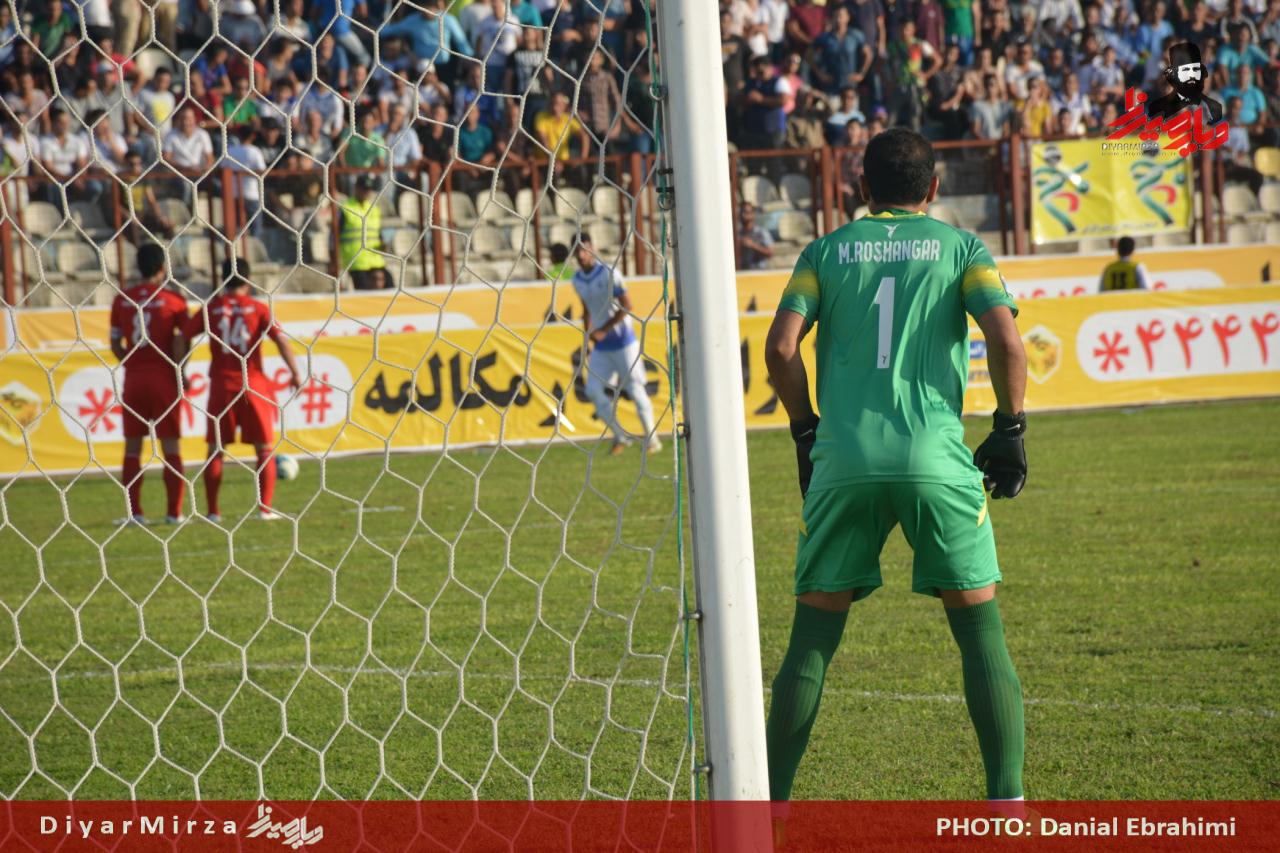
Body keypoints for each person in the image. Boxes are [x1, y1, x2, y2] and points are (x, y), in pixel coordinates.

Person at [763, 128, 1027, 806]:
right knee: (980, 633)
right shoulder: (962, 249)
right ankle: (1007, 809)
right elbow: (1006, 341)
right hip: (936, 461)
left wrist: (804, 428)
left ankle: (767, 815)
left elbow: (781, 347)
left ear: (861, 188)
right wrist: (1009, 428)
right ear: (933, 189)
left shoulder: (825, 252)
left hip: (844, 461)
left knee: (812, 639)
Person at [184, 258, 302, 523]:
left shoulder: (211, 308)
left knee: (216, 450)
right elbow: (281, 340)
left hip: (222, 385)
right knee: (264, 449)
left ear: (223, 279)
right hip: (253, 385)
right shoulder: (258, 308)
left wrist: (181, 370)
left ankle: (213, 512)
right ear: (248, 280)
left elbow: (182, 336)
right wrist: (295, 372)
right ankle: (265, 510)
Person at [109, 242, 190, 526]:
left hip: (134, 380)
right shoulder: (174, 300)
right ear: (163, 268)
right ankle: (174, 514)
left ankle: (135, 514)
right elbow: (181, 341)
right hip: (164, 379)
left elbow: (114, 343)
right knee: (171, 448)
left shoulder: (122, 299)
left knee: (132, 448)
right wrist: (181, 371)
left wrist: (131, 362)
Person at [572, 233, 661, 456]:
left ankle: (653, 440)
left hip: (623, 343)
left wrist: (604, 329)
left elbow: (627, 305)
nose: (581, 255)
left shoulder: (610, 273)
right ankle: (620, 436)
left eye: (584, 249)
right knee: (592, 391)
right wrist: (589, 336)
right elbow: (586, 310)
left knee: (635, 389)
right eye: (577, 251)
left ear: (592, 248)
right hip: (602, 347)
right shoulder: (577, 280)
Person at [339, 175, 390, 290]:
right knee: (364, 291)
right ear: (356, 188)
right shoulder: (345, 208)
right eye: (364, 189)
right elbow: (334, 236)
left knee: (390, 284)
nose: (367, 192)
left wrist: (383, 245)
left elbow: (378, 233)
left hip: (375, 260)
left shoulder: (374, 209)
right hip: (356, 262)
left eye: (369, 189)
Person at [737, 201, 774, 270]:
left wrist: (752, 245)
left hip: (758, 272)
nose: (743, 215)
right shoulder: (738, 234)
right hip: (742, 273)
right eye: (741, 212)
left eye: (746, 212)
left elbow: (770, 253)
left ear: (753, 214)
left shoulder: (761, 232)